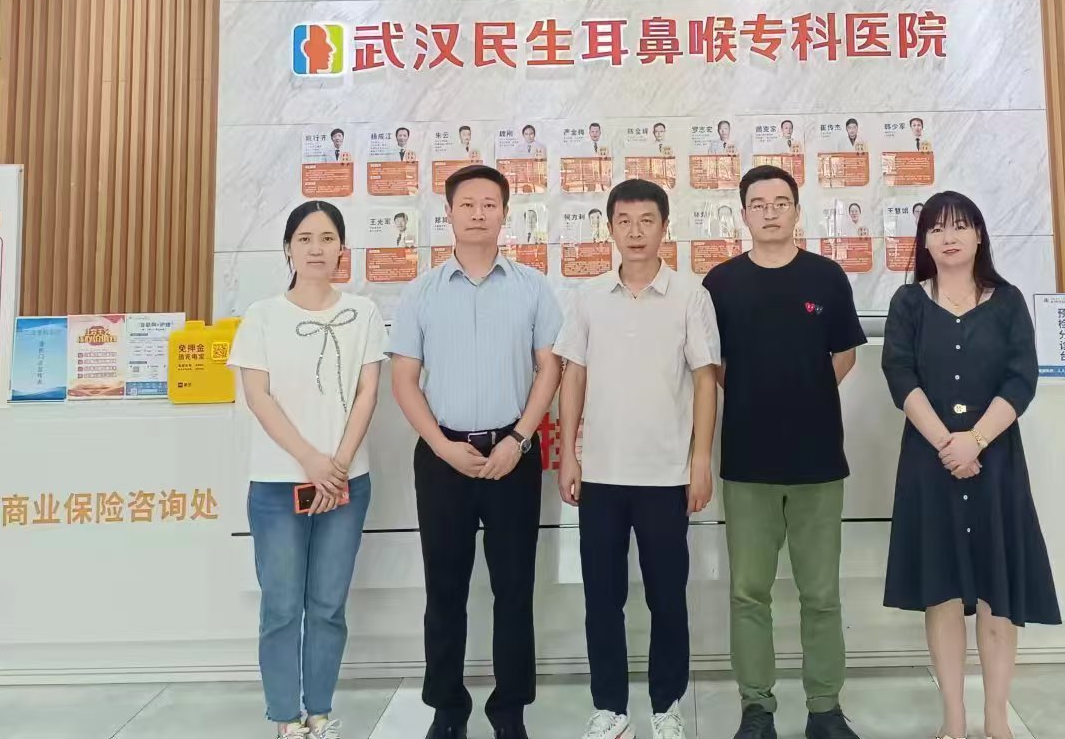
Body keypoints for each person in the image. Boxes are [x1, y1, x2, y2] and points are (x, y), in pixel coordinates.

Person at [390, 165, 563, 739]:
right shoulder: (421, 291)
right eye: (467, 204)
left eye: (490, 204)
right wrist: (442, 446)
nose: (478, 213)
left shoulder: (533, 287)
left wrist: (519, 439)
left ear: (505, 214)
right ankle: (448, 709)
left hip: (514, 455)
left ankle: (510, 711)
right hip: (443, 458)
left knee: (514, 590)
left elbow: (549, 369)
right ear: (449, 214)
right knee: (445, 589)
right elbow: (404, 380)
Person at [881, 191, 1059, 739]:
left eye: (959, 226)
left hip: (995, 464)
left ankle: (996, 718)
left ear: (979, 235)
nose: (948, 237)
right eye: (936, 229)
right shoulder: (909, 302)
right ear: (924, 241)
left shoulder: (1007, 302)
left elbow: (1021, 379)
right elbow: (900, 375)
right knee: (941, 592)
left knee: (995, 594)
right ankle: (953, 720)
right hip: (930, 465)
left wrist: (975, 441)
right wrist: (948, 444)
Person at [703, 167, 867, 739]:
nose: (770, 212)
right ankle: (757, 708)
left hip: (818, 461)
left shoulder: (826, 277)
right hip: (747, 462)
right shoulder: (720, 283)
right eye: (758, 203)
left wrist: (805, 393)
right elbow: (714, 365)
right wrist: (759, 394)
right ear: (743, 214)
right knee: (749, 592)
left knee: (820, 593)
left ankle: (824, 709)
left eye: (780, 202)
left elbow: (845, 354)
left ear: (797, 210)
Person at [556, 179, 719, 739]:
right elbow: (573, 376)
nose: (635, 231)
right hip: (600, 473)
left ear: (664, 227)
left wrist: (700, 459)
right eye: (624, 220)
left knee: (667, 597)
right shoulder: (588, 297)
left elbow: (705, 381)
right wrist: (568, 454)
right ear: (610, 228)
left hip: (666, 474)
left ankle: (666, 706)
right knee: (603, 598)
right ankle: (610, 708)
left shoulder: (689, 295)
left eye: (647, 220)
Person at [231, 201, 388, 739]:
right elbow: (259, 396)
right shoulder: (262, 315)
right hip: (278, 485)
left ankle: (319, 713)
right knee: (281, 606)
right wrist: (311, 460)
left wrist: (337, 466)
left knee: (327, 605)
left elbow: (368, 392)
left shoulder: (363, 313)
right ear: (288, 249)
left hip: (346, 485)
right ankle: (284, 718)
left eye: (326, 238)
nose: (316, 248)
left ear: (342, 248)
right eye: (304, 238)